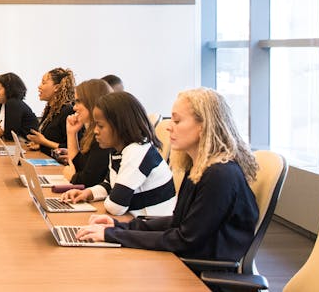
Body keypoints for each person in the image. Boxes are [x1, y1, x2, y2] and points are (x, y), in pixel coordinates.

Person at [75, 88, 258, 263]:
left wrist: (113, 235)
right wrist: (117, 226)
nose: (169, 127)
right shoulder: (200, 168)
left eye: (177, 121)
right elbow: (178, 223)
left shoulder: (220, 176)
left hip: (199, 275)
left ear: (203, 126)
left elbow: (184, 239)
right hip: (186, 261)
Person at [62, 91, 176, 217]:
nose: (95, 131)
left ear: (120, 126)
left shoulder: (136, 152)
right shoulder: (118, 151)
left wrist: (110, 198)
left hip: (153, 227)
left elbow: (116, 206)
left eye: (100, 126)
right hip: (137, 222)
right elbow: (109, 184)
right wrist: (88, 193)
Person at [62, 78, 113, 185]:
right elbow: (78, 166)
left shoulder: (105, 136)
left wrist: (72, 176)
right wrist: (71, 133)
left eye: (78, 102)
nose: (74, 108)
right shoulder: (91, 132)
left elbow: (88, 181)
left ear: (92, 102)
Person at [26, 67, 75, 155]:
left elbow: (71, 147)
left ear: (56, 87)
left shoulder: (67, 111)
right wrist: (40, 145)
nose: (39, 86)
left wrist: (43, 142)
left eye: (43, 83)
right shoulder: (51, 109)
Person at [0, 72, 38, 141]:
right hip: (15, 144)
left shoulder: (13, 103)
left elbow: (10, 135)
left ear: (9, 90)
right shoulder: (2, 104)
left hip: (26, 144)